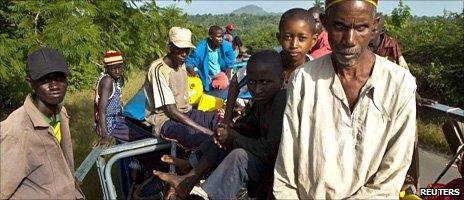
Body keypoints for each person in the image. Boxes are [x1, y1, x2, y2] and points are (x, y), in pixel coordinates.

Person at [273, 0, 417, 199]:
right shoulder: (304, 80)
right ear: (325, 23)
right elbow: (286, 170)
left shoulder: (400, 85)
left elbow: (390, 177)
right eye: (340, 26)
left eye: (361, 28)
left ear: (375, 25)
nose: (350, 40)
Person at [153, 49, 286, 199]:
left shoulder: (281, 102)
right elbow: (249, 125)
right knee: (222, 134)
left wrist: (233, 136)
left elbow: (269, 152)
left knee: (239, 156)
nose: (257, 89)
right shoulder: (262, 101)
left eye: (265, 82)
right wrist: (228, 130)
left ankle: (200, 191)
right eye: (252, 82)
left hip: (276, 167)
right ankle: (189, 175)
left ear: (282, 79)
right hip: (261, 157)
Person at [0, 48, 84, 199]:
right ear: (30, 82)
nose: (54, 86)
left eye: (59, 78)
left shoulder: (61, 113)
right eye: (45, 80)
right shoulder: (17, 130)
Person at [144, 27, 218, 150]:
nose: (184, 54)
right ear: (170, 47)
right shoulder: (158, 69)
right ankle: (194, 166)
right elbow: (171, 110)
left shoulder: (181, 64)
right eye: (180, 49)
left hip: (185, 112)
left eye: (186, 50)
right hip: (165, 119)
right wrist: (203, 130)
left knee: (217, 120)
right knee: (201, 137)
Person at [369, 13, 436, 107]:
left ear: (381, 31)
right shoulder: (359, 44)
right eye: (367, 29)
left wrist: (415, 96)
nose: (369, 34)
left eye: (373, 30)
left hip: (386, 96)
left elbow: (404, 73)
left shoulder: (390, 46)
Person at [94, 50, 129, 146]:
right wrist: (105, 137)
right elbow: (101, 110)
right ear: (107, 68)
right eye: (113, 68)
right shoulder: (107, 81)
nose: (117, 71)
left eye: (119, 68)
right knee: (136, 135)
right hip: (110, 123)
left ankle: (127, 160)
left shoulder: (116, 78)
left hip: (116, 119)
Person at [186, 25, 236, 91]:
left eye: (222, 36)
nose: (221, 39)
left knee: (224, 83)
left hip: (219, 73)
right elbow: (189, 62)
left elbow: (231, 57)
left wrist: (229, 68)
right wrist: (194, 73)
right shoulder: (200, 48)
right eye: (218, 37)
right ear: (211, 37)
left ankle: (212, 85)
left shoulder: (225, 45)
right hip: (204, 74)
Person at [277, 8, 318, 84]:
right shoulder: (269, 66)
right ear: (279, 38)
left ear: (313, 40)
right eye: (288, 37)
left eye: (302, 38)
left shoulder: (317, 73)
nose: (294, 45)